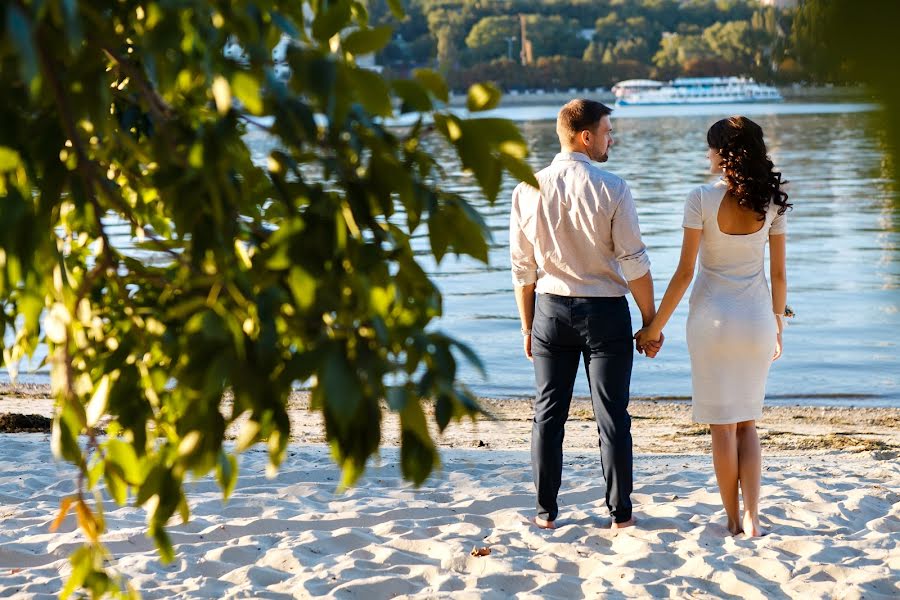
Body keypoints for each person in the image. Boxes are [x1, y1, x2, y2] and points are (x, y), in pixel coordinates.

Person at [636, 116, 790, 537]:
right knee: (748, 423)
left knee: (722, 427)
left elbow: (685, 273)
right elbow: (778, 277)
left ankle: (732, 519)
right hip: (758, 321)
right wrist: (779, 326)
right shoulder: (772, 202)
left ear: (724, 153)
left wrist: (652, 328)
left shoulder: (700, 198)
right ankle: (756, 517)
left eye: (711, 148)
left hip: (711, 323)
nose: (707, 155)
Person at [510, 99, 660, 531]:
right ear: (585, 136)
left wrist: (526, 325)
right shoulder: (614, 188)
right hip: (605, 312)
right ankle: (621, 515)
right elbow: (635, 263)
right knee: (612, 415)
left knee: (547, 414)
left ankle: (544, 513)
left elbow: (523, 268)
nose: (612, 138)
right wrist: (649, 321)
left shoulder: (526, 188)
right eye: (607, 131)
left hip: (550, 311)